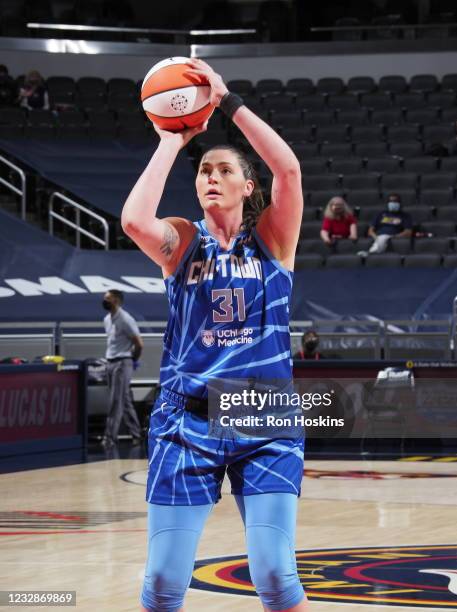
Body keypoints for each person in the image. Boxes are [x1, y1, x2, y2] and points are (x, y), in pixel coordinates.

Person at [121, 59, 308, 612]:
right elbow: (134, 220)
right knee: (161, 582)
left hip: (262, 413)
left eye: (224, 170)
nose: (211, 177)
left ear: (248, 186)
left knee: (273, 572)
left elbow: (291, 173)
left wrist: (226, 102)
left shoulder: (273, 239)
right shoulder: (181, 241)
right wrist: (171, 142)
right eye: (204, 171)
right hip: (187, 418)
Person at [101, 289, 144, 448]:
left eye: (108, 299)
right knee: (124, 400)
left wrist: (133, 360)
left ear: (117, 301)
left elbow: (139, 344)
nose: (105, 301)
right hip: (110, 361)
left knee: (115, 401)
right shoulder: (107, 319)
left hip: (122, 362)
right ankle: (137, 434)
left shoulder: (126, 319)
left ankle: (109, 438)